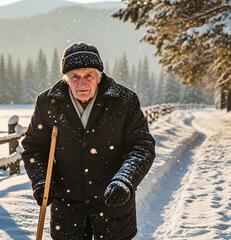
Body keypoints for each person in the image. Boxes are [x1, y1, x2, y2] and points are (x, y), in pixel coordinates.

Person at [22, 42, 156, 240]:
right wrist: (42, 180)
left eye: (88, 76)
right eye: (75, 76)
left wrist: (125, 180)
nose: (81, 83)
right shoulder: (48, 103)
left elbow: (142, 147)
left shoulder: (124, 101)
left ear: (99, 77)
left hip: (113, 209)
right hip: (68, 211)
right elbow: (34, 148)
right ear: (66, 78)